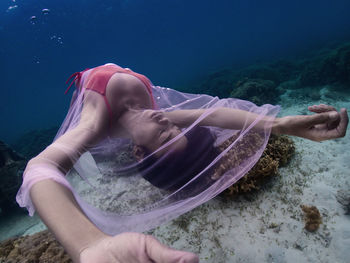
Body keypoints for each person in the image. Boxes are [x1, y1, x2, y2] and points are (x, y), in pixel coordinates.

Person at [16, 63, 348, 263]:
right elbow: (213, 113)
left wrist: (89, 245)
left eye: (165, 138)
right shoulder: (158, 114)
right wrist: (281, 124)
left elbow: (40, 169)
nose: (169, 125)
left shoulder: (96, 124)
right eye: (178, 130)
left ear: (138, 153)